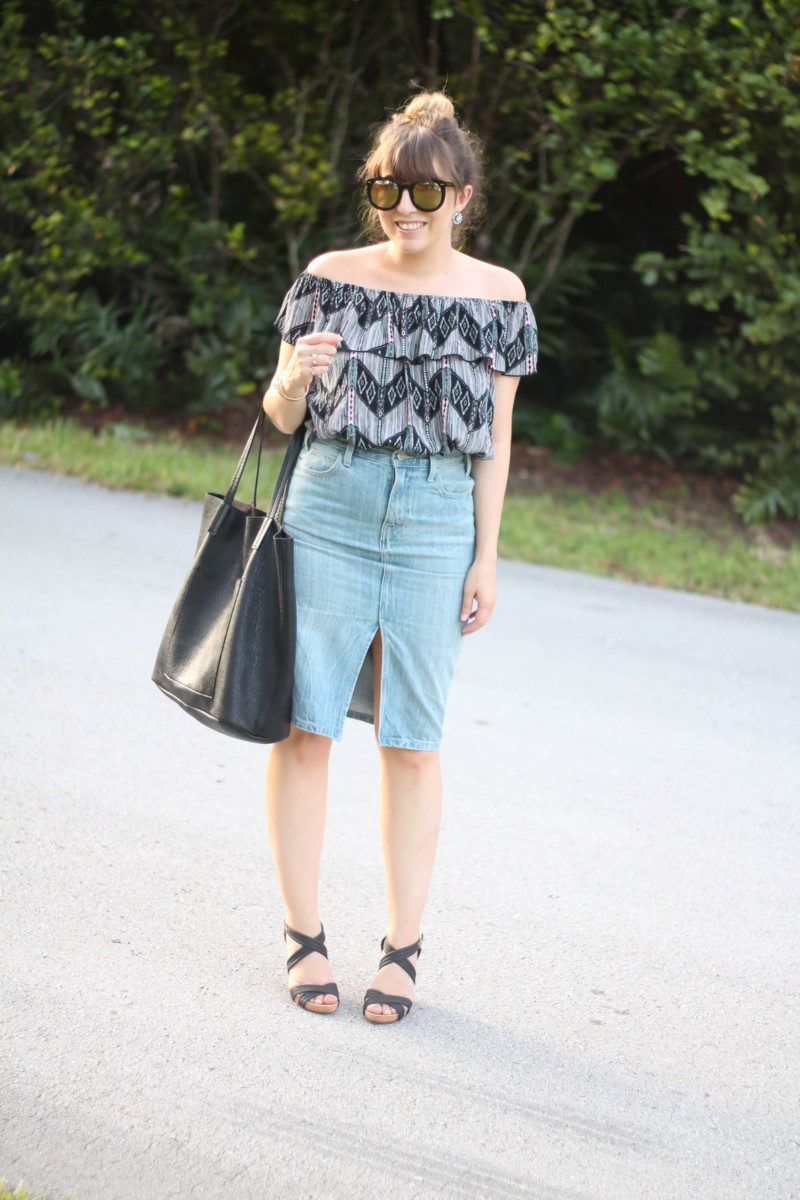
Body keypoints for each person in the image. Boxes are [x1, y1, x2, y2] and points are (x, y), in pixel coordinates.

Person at [261, 89, 538, 1023]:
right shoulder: (330, 275)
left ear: (463, 195)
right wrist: (295, 378)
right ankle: (304, 936)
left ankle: (403, 949)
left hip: (434, 520)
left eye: (427, 193)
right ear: (373, 190)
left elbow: (495, 439)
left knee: (413, 742)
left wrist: (486, 556)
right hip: (329, 501)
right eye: (389, 190)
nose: (406, 211)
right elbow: (277, 417)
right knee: (307, 727)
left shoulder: (499, 296)